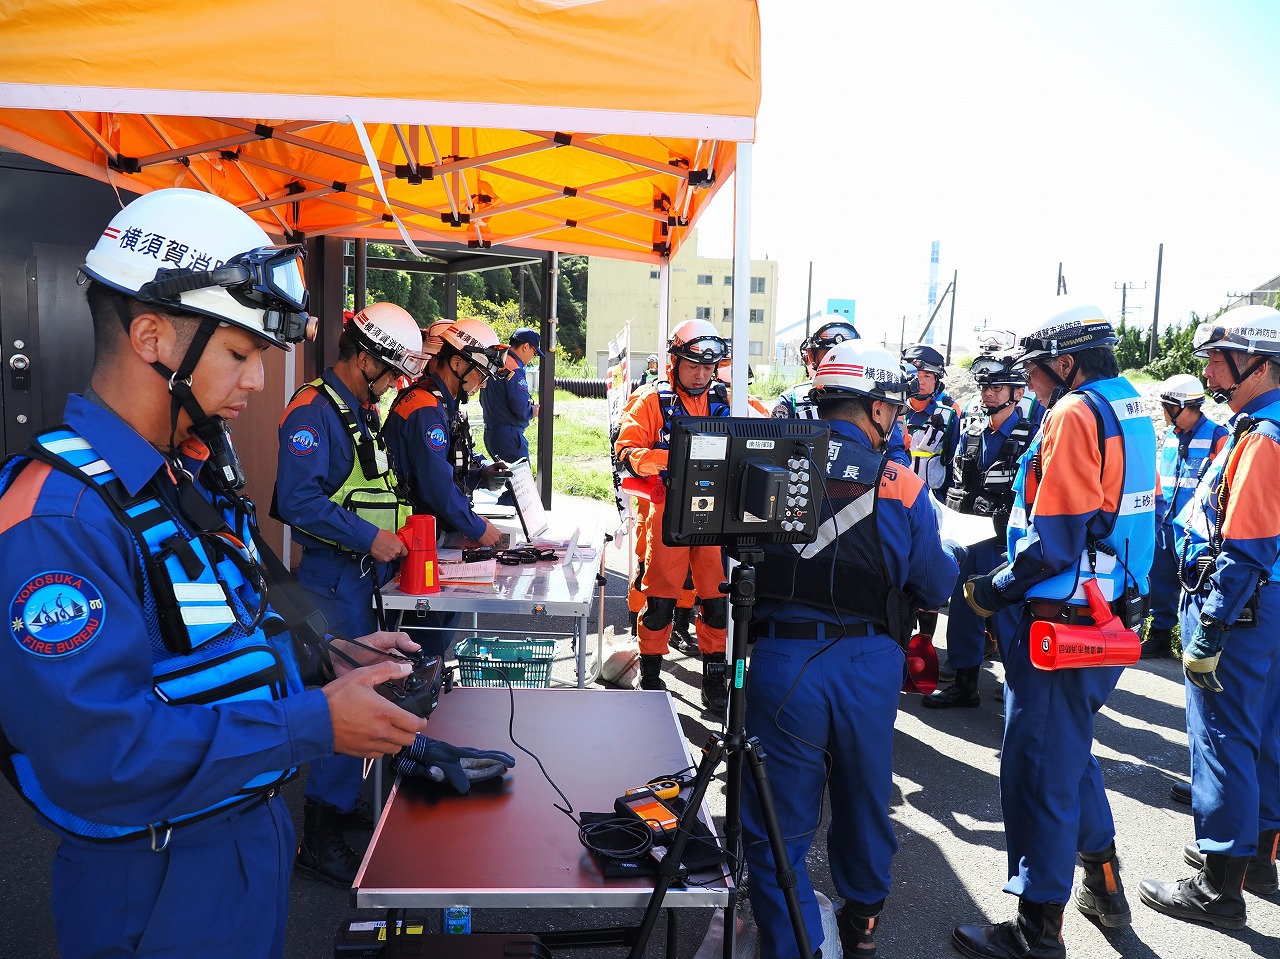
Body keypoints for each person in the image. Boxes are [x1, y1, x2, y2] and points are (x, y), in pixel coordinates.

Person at [0, 188, 429, 958]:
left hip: (243, 840)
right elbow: (97, 753)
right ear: (152, 335)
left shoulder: (179, 481)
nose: (257, 383)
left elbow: (228, 636)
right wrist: (315, 722)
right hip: (154, 879)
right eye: (239, 354)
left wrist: (335, 659)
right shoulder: (58, 520)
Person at [951, 303, 1156, 959]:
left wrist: (993, 589)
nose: (1031, 384)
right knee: (1070, 751)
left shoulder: (1072, 413)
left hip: (1057, 623)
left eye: (1035, 372)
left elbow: (1056, 539)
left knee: (1038, 769)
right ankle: (1106, 885)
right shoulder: (1130, 405)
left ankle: (1038, 929)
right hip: (1107, 612)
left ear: (1064, 363)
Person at [744, 342, 958, 959]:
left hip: (783, 659)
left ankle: (790, 945)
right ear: (876, 409)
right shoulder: (904, 484)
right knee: (865, 798)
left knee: (777, 821)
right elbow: (937, 582)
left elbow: (740, 558)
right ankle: (861, 923)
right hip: (868, 664)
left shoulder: (771, 464)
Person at [1138, 306, 1280, 931]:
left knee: (1223, 739)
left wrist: (1210, 627)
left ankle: (1218, 884)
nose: (1208, 368)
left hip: (1243, 608)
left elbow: (1246, 545)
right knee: (1267, 739)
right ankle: (1257, 860)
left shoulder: (1262, 439)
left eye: (1220, 356)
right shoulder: (1263, 426)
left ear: (1258, 362)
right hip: (1270, 607)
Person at [273, 302, 426, 884]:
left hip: (357, 577)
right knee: (342, 701)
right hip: (331, 581)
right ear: (363, 358)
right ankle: (319, 835)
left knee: (365, 690)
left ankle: (339, 806)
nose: (393, 386)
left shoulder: (354, 411)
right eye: (389, 372)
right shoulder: (314, 412)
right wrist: (370, 537)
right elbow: (298, 501)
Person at [614, 318, 731, 712]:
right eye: (693, 365)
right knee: (660, 599)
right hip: (668, 514)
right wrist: (674, 459)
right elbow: (626, 450)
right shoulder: (652, 401)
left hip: (718, 516)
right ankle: (650, 674)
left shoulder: (731, 400)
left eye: (707, 368)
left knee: (717, 601)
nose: (700, 375)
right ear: (674, 362)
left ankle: (715, 677)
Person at [384, 319, 512, 653]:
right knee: (427, 638)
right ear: (457, 363)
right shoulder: (426, 407)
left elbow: (454, 459)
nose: (481, 384)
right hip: (418, 536)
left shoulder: (443, 403)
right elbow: (435, 485)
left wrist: (480, 471)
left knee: (438, 629)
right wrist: (478, 527)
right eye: (480, 374)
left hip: (434, 532)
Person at [924, 350, 1035, 709]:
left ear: (1017, 392)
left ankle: (1021, 694)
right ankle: (965, 683)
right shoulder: (971, 433)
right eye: (985, 386)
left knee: (1008, 617)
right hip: (969, 536)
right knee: (962, 612)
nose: (988, 393)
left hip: (1007, 542)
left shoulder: (1033, 435)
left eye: (997, 386)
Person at [1142, 373, 1227, 660]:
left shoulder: (1218, 437)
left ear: (1179, 406)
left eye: (1165, 405)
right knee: (1161, 581)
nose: (1163, 410)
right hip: (1166, 525)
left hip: (1197, 532)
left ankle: (1199, 641)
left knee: (1197, 587)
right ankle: (1160, 636)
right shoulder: (1170, 436)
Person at [901, 343, 961, 499]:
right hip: (895, 493)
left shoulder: (949, 415)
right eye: (915, 376)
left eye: (927, 376)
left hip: (931, 497)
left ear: (937, 381)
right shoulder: (893, 412)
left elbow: (951, 463)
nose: (920, 381)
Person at [772, 316, 858, 419]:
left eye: (844, 354)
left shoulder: (871, 397)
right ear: (812, 355)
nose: (837, 360)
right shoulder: (791, 400)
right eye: (829, 353)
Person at [480, 325, 541, 468]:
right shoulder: (514, 369)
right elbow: (520, 408)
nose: (533, 357)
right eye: (534, 352)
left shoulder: (496, 362)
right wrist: (532, 411)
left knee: (509, 481)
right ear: (525, 346)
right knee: (521, 486)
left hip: (491, 432)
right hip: (509, 436)